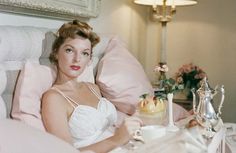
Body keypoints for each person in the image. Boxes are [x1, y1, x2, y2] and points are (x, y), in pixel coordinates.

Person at [41, 20, 142, 153]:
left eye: (84, 53)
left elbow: (106, 130)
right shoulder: (54, 98)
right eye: (70, 50)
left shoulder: (92, 88)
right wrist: (116, 139)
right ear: (56, 53)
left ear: (89, 60)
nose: (77, 59)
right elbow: (65, 151)